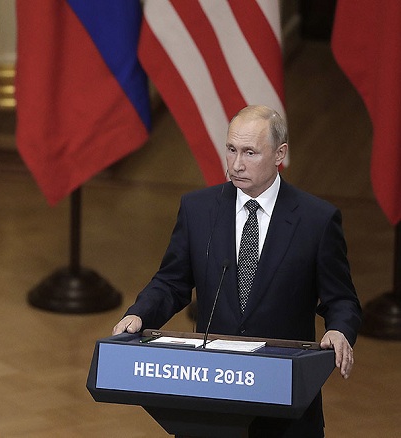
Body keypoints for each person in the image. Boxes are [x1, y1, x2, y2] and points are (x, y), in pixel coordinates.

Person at [112, 105, 361, 437]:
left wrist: (339, 330)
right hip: (212, 398)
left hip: (284, 402)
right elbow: (172, 282)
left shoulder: (317, 220)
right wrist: (140, 314)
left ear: (279, 154)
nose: (236, 164)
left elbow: (341, 299)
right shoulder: (198, 209)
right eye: (231, 149)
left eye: (249, 152)